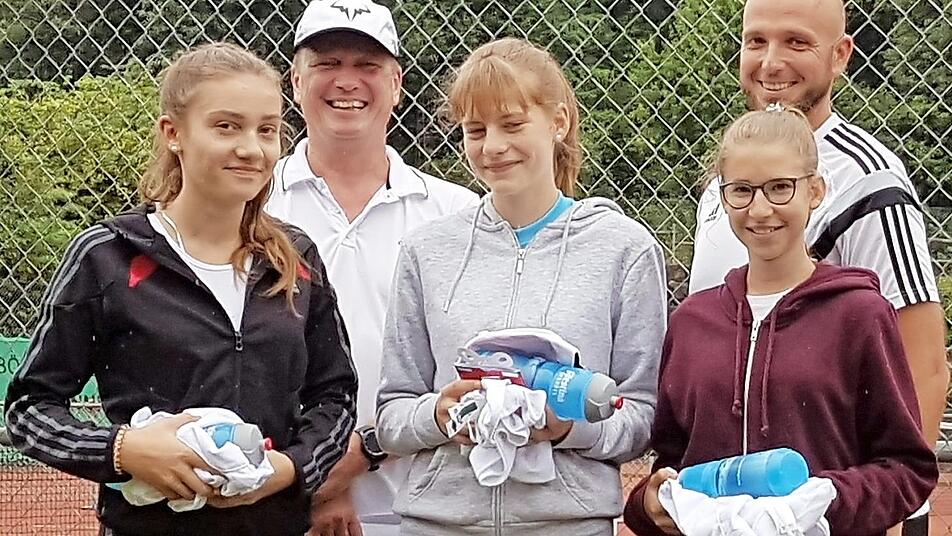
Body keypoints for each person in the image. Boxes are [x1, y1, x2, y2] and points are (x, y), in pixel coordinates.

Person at [3, 42, 357, 536]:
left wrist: (292, 468)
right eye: (226, 126)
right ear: (174, 134)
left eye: (267, 130)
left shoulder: (296, 258)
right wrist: (123, 450)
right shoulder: (106, 256)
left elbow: (336, 395)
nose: (251, 149)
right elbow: (28, 410)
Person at [374, 37, 667, 536]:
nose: (492, 146)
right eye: (475, 130)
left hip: (568, 524)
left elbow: (641, 416)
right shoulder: (426, 249)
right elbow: (392, 414)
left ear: (558, 122)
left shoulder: (624, 249)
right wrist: (440, 414)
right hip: (438, 522)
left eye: (512, 125)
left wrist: (568, 427)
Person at [688, 4, 947, 531]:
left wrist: (894, 509)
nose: (771, 62)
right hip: (732, 512)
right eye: (756, 41)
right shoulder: (726, 181)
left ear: (840, 55)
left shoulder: (868, 179)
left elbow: (921, 364)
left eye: (796, 42)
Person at [625, 107, 938, 536]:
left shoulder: (860, 314)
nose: (760, 209)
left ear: (815, 191)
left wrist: (825, 502)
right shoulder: (691, 323)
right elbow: (672, 466)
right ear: (723, 197)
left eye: (779, 188)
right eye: (742, 190)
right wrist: (649, 505)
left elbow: (907, 469)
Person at [265, 1, 478, 534]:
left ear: (397, 84)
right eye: (327, 63)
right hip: (274, 501)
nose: (347, 81)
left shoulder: (459, 213)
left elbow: (467, 366)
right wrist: (313, 476)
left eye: (368, 65)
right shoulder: (252, 204)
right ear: (296, 81)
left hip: (428, 503)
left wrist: (364, 453)